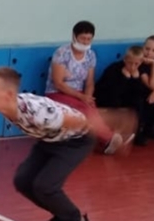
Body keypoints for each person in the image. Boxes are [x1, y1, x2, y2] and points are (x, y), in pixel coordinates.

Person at [0, 66, 97, 221]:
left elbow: (77, 121)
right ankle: (61, 215)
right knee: (23, 180)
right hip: (50, 139)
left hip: (76, 141)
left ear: (9, 95)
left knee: (45, 185)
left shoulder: (38, 113)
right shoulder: (9, 107)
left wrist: (106, 126)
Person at [44, 20, 124, 154]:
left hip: (79, 93)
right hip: (58, 93)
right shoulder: (62, 53)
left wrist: (88, 97)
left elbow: (89, 82)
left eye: (88, 39)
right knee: (84, 109)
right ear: (74, 36)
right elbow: (58, 83)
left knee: (90, 107)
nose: (85, 42)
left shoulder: (91, 55)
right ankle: (109, 138)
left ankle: (104, 141)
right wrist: (81, 97)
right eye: (82, 38)